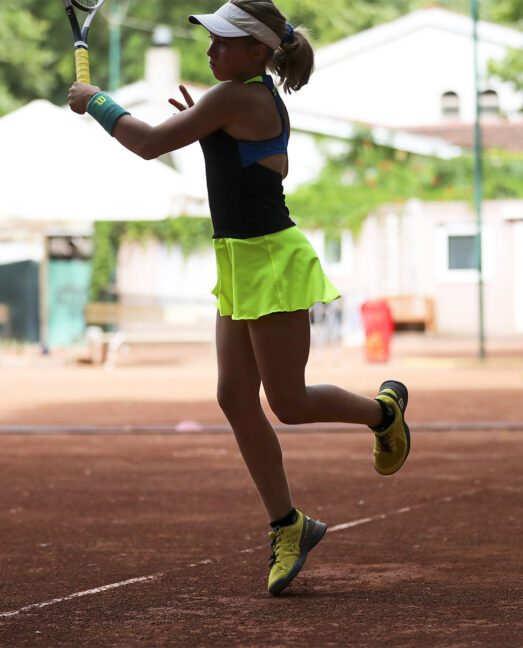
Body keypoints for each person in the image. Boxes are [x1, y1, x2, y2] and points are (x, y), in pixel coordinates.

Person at [68, 0, 410, 596]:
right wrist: (206, 130)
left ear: (258, 52)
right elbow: (249, 160)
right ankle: (288, 525)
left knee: (289, 402)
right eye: (209, 38)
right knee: (233, 396)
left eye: (223, 41)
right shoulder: (237, 98)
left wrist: (95, 102)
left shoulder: (236, 97)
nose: (209, 48)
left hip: (272, 260)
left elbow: (147, 144)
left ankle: (384, 413)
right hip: (240, 258)